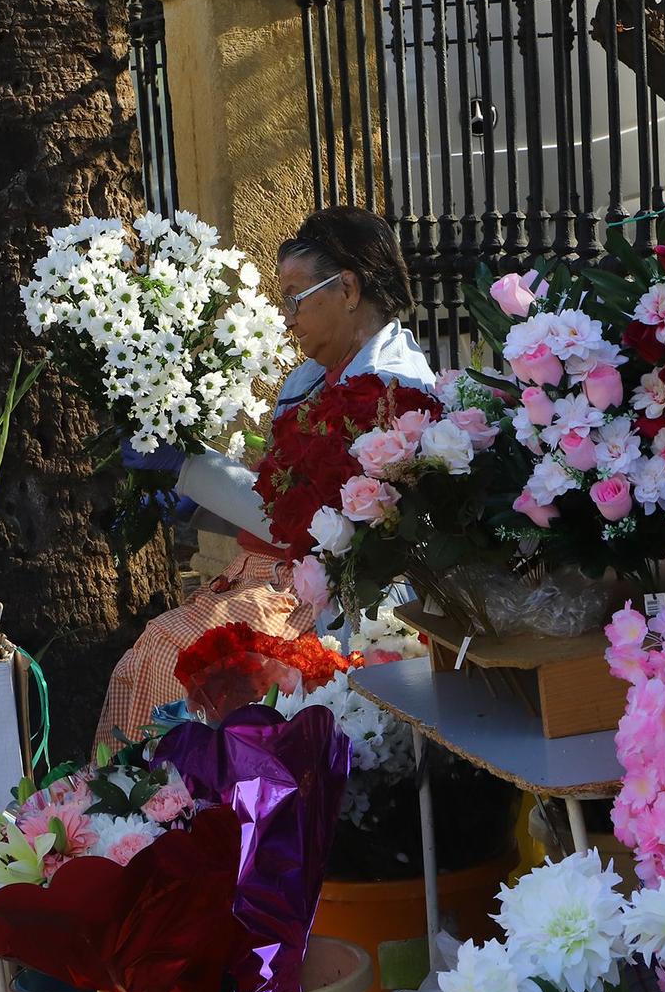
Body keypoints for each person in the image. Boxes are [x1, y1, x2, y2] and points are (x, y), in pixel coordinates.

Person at [95, 205, 435, 745]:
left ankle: (180, 812)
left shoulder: (390, 387)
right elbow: (276, 495)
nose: (289, 318)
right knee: (150, 654)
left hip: (337, 594)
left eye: (296, 297)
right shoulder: (311, 376)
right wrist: (198, 501)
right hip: (275, 576)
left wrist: (189, 468)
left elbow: (311, 522)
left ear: (348, 289)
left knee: (173, 666)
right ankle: (143, 818)